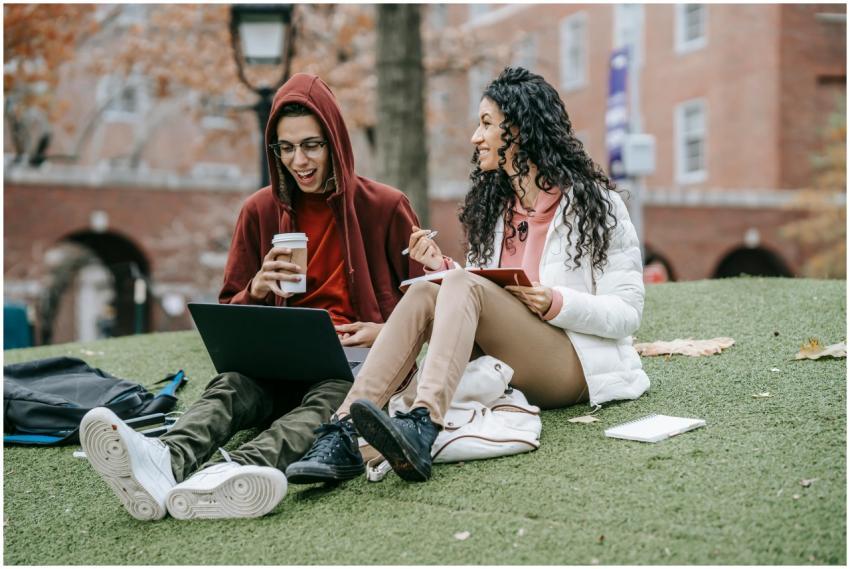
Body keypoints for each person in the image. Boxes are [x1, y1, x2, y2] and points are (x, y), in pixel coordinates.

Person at [79, 73, 422, 520]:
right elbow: (229, 315)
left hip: (352, 366)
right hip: (276, 363)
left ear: (335, 141)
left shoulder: (386, 206)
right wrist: (256, 289)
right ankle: (164, 459)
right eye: (286, 147)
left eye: (312, 145)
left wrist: (384, 331)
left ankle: (232, 473)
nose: (299, 161)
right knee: (231, 386)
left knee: (328, 400)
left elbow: (427, 303)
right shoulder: (259, 210)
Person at [288, 66, 650, 483]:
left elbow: (627, 312)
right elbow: (479, 289)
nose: (476, 138)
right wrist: (441, 270)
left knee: (456, 284)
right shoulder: (495, 208)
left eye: (486, 125)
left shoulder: (596, 206)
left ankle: (423, 421)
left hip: (575, 363)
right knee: (428, 290)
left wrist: (555, 302)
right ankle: (343, 429)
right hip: (510, 358)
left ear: (520, 132)